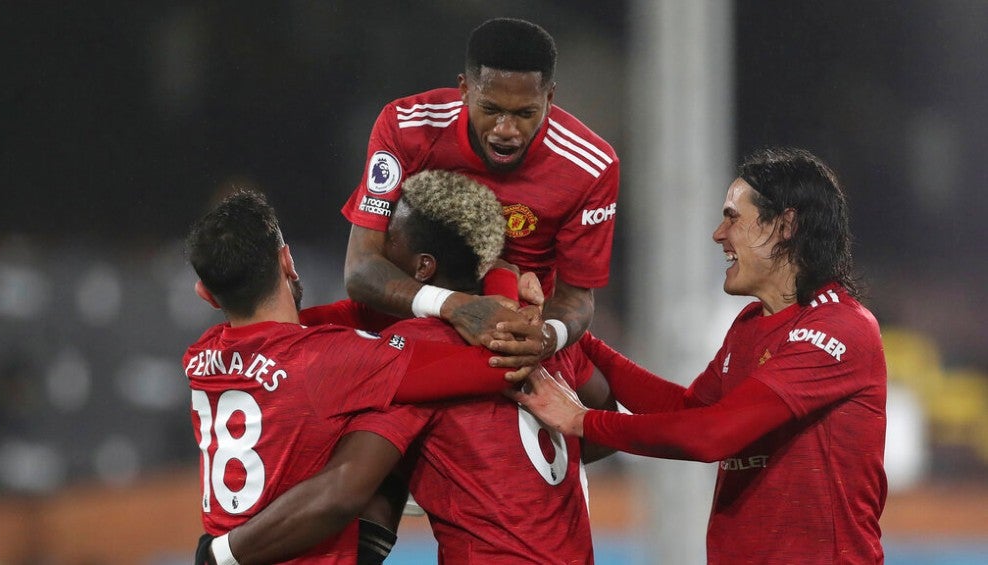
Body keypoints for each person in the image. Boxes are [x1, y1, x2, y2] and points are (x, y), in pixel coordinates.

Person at [198, 170, 615, 564]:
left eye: (386, 242)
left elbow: (346, 487)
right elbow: (604, 422)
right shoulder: (543, 333)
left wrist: (221, 553)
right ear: (287, 261)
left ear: (422, 268)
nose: (374, 253)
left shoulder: (203, 355)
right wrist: (504, 279)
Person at [509, 147, 888, 563]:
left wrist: (581, 419)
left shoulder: (840, 329)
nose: (718, 233)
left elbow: (711, 435)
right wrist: (576, 337)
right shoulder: (750, 324)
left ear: (785, 225)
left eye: (732, 217)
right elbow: (688, 409)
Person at [340, 17, 619, 361]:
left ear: (549, 98)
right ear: (465, 90)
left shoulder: (590, 167)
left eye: (525, 113)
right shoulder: (407, 127)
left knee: (624, 402)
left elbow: (576, 299)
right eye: (490, 109)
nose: (506, 129)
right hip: (405, 319)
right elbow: (361, 269)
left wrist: (546, 337)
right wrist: (457, 308)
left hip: (519, 339)